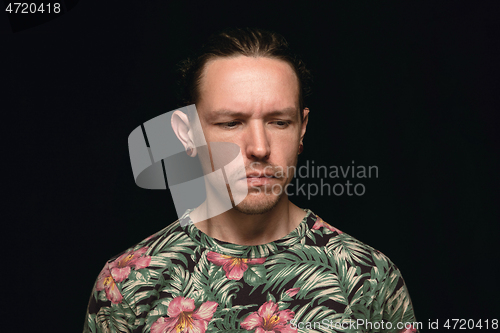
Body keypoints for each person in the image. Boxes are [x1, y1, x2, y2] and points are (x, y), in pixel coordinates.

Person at [83, 27, 419, 333]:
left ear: (302, 129)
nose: (259, 147)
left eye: (279, 122)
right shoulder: (128, 283)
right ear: (187, 134)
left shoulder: (368, 277)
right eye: (231, 123)